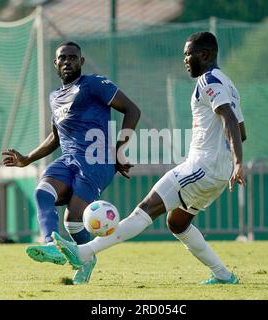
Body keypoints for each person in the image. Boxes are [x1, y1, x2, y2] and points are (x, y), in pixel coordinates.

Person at [52, 31, 247, 285]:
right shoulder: (227, 83)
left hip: (202, 167)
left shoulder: (208, 81)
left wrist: (238, 162)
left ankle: (83, 252)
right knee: (177, 223)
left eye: (189, 54)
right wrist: (231, 160)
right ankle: (223, 275)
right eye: (184, 55)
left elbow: (230, 120)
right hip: (216, 171)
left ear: (205, 55)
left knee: (143, 211)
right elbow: (241, 132)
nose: (185, 59)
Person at [1, 41, 141, 284]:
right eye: (62, 58)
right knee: (42, 192)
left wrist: (119, 150)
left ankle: (86, 258)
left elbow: (132, 110)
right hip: (67, 159)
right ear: (55, 63)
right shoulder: (54, 97)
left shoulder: (94, 84)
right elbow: (55, 137)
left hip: (96, 161)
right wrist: (27, 159)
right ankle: (51, 246)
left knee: (74, 218)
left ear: (81, 61)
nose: (68, 61)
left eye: (73, 57)